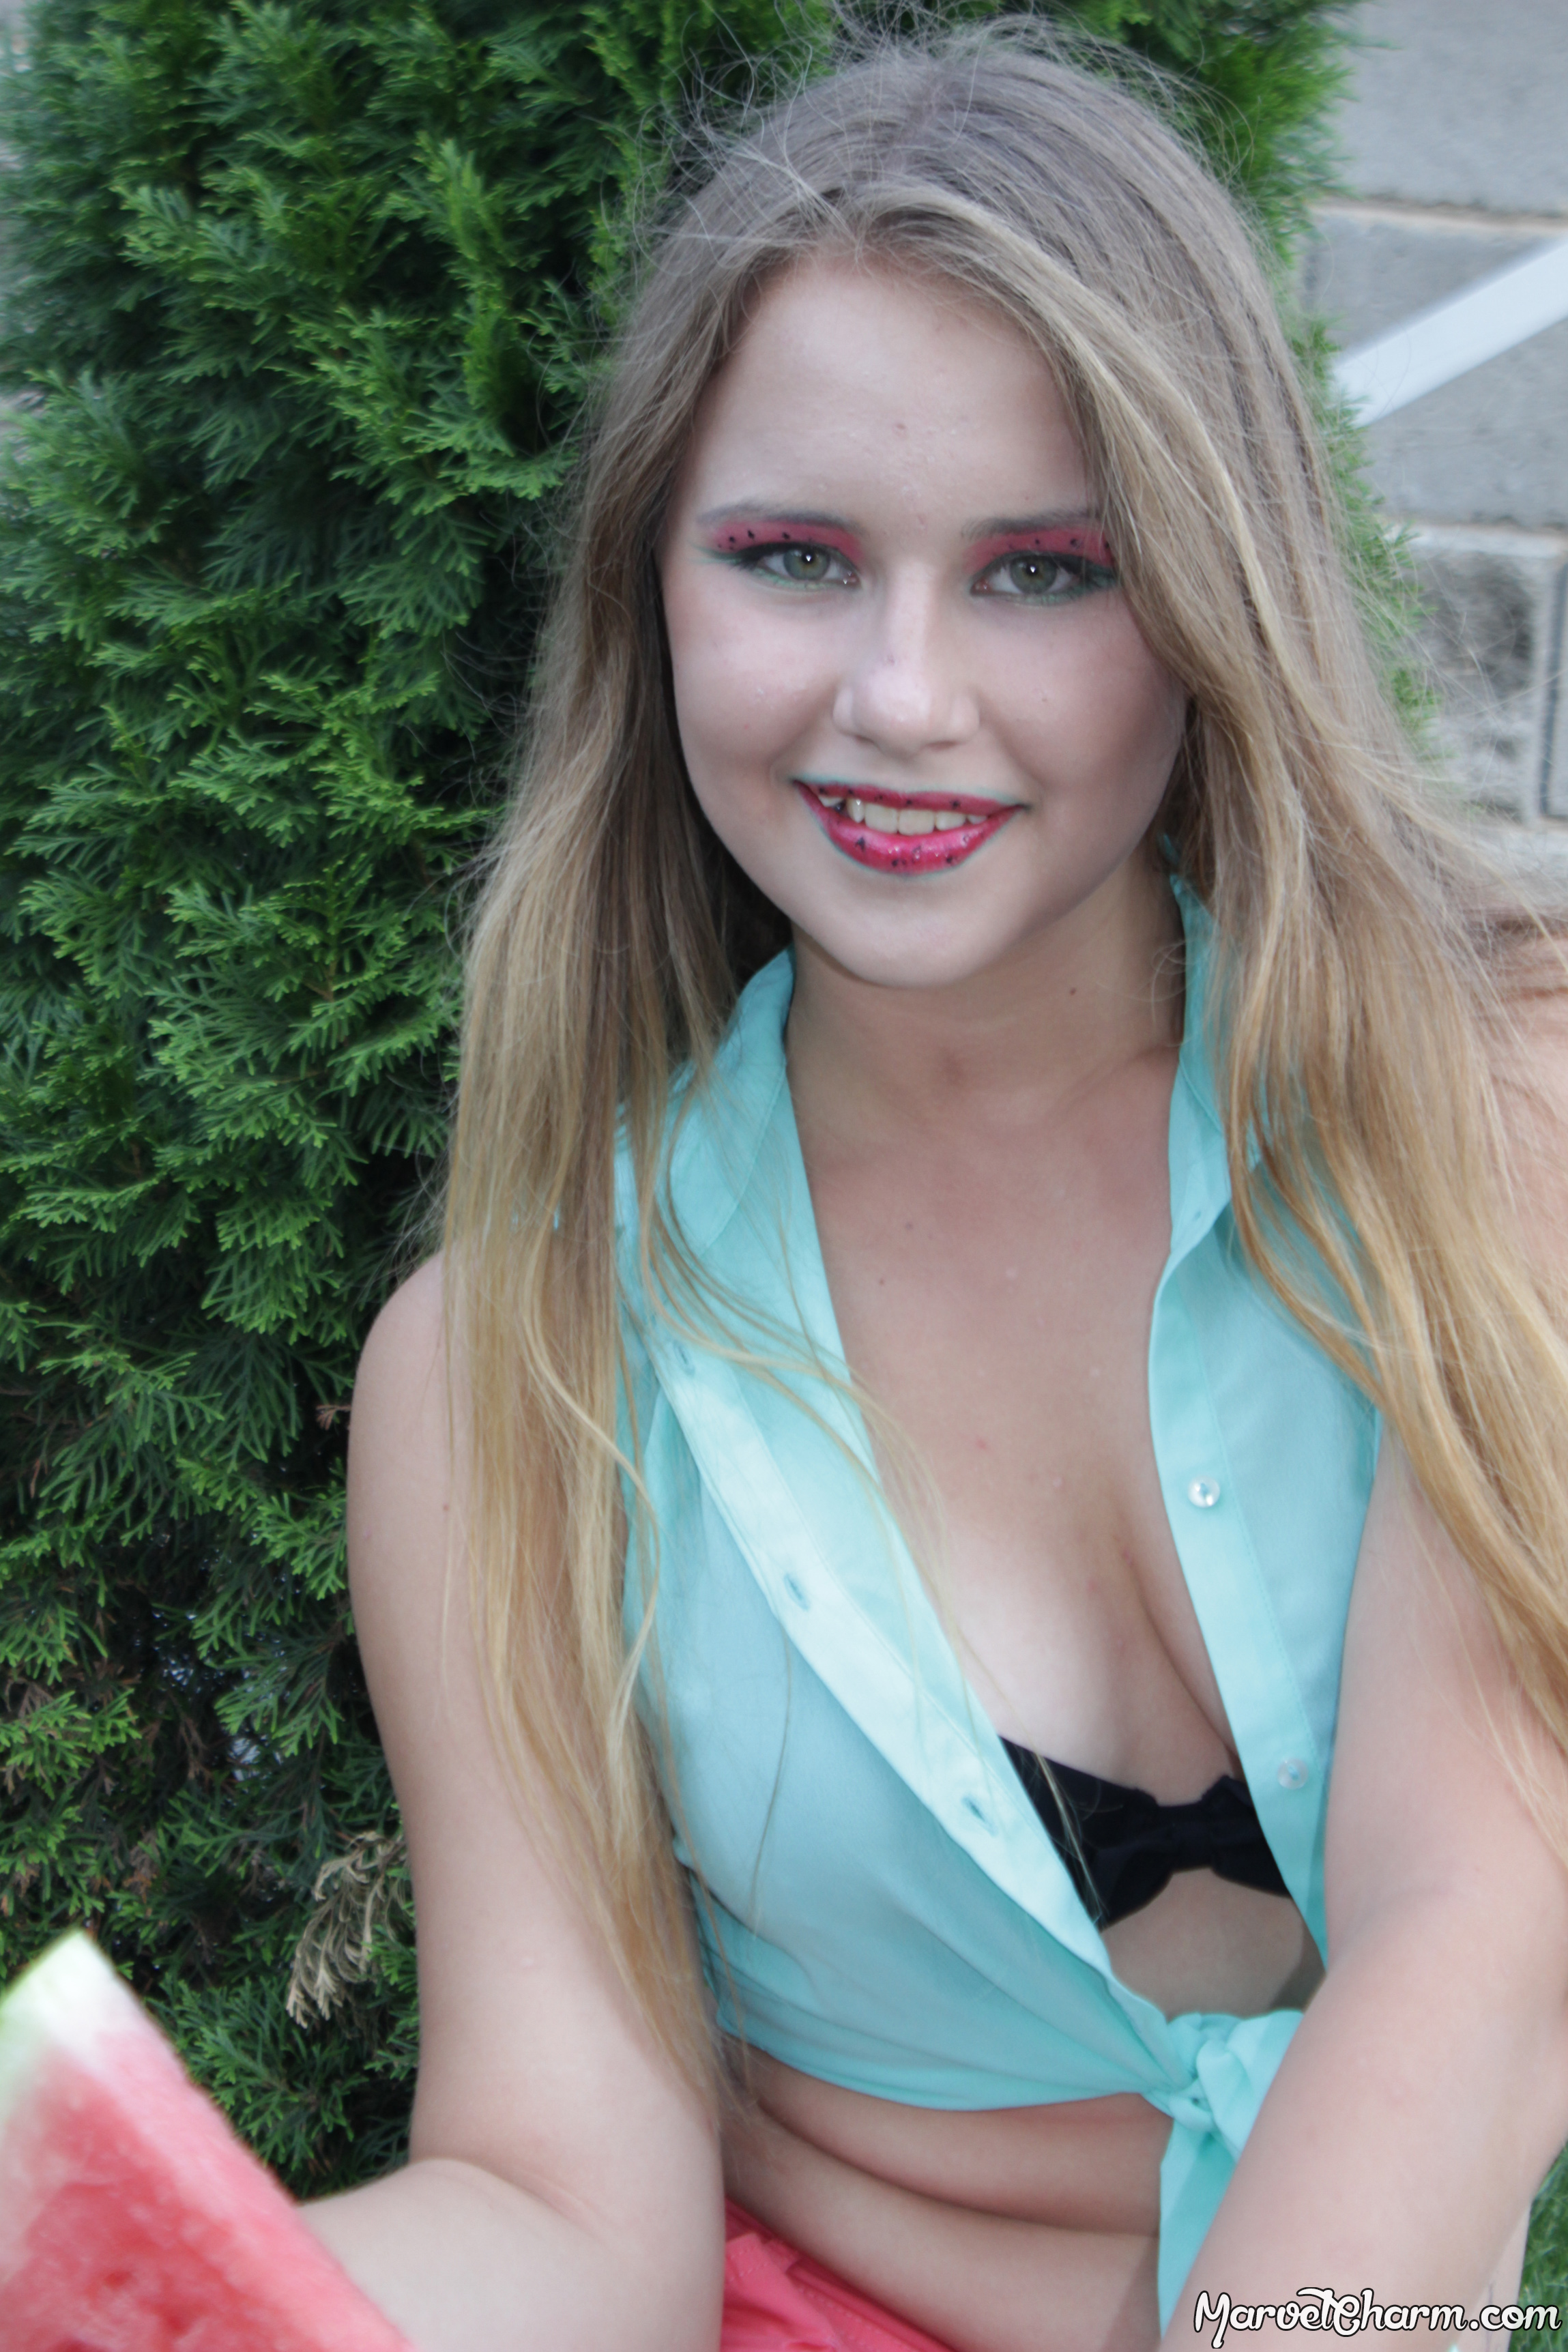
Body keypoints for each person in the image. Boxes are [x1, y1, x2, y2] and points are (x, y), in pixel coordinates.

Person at [301, 29, 1568, 2352]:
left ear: (1212, 592)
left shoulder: (1499, 1128)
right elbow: (566, 2213)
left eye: (1041, 573)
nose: (899, 695)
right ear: (651, 589)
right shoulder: (501, 1376)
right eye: (791, 557)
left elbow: (1474, 1951)